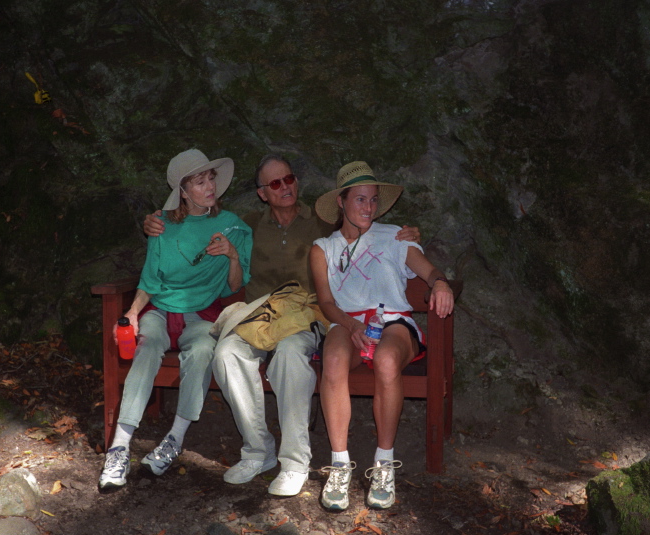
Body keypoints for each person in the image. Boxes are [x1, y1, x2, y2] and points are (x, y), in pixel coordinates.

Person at [143, 155, 420, 497]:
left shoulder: (320, 224)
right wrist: (155, 222)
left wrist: (409, 234)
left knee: (290, 353)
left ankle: (294, 462)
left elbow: (361, 230)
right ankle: (258, 451)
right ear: (262, 193)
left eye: (288, 179)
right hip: (259, 317)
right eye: (275, 184)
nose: (285, 187)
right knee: (227, 353)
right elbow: (195, 229)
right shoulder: (247, 226)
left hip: (306, 317)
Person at [99, 149, 253, 490]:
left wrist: (231, 255)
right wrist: (131, 314)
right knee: (148, 345)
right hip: (162, 309)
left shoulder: (233, 226)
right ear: (184, 191)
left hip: (202, 314)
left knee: (201, 351)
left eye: (211, 177)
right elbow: (150, 281)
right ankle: (120, 445)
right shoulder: (162, 226)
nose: (209, 185)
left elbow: (236, 285)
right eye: (200, 181)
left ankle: (174, 439)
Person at [309, 161, 454, 511]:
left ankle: (384, 463)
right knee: (333, 358)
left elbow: (428, 269)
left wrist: (440, 282)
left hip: (393, 322)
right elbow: (326, 303)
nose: (368, 208)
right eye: (360, 199)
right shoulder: (322, 248)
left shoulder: (395, 236)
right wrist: (352, 326)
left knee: (388, 360)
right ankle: (340, 464)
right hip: (347, 323)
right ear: (341, 202)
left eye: (373, 200)